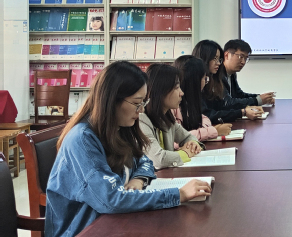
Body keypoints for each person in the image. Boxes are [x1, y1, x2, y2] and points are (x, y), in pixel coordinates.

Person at [46, 61, 211, 237]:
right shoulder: (82, 140)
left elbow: (145, 161)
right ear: (112, 100)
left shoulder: (120, 127)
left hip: (115, 222)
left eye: (144, 102)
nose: (141, 110)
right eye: (137, 103)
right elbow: (111, 200)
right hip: (85, 230)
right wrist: (178, 194)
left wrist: (139, 179)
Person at [139, 63, 203, 169]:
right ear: (161, 91)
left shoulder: (166, 117)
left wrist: (193, 144)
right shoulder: (141, 120)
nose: (181, 93)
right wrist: (185, 154)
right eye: (177, 87)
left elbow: (188, 137)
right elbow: (159, 160)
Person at [192, 40, 263, 123]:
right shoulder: (195, 82)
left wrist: (245, 110)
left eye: (219, 59)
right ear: (204, 59)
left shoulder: (213, 79)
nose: (219, 63)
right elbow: (207, 115)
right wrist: (242, 112)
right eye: (215, 59)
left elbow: (222, 106)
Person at [173, 55, 233, 140]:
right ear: (194, 81)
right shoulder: (172, 106)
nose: (205, 83)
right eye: (205, 78)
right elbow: (176, 140)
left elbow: (203, 118)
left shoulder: (189, 100)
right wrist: (212, 131)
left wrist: (204, 130)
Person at [222, 39, 275, 106]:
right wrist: (258, 100)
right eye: (241, 57)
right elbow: (227, 103)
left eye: (245, 58)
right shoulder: (217, 74)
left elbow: (239, 95)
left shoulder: (232, 74)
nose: (243, 62)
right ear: (227, 55)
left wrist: (262, 98)